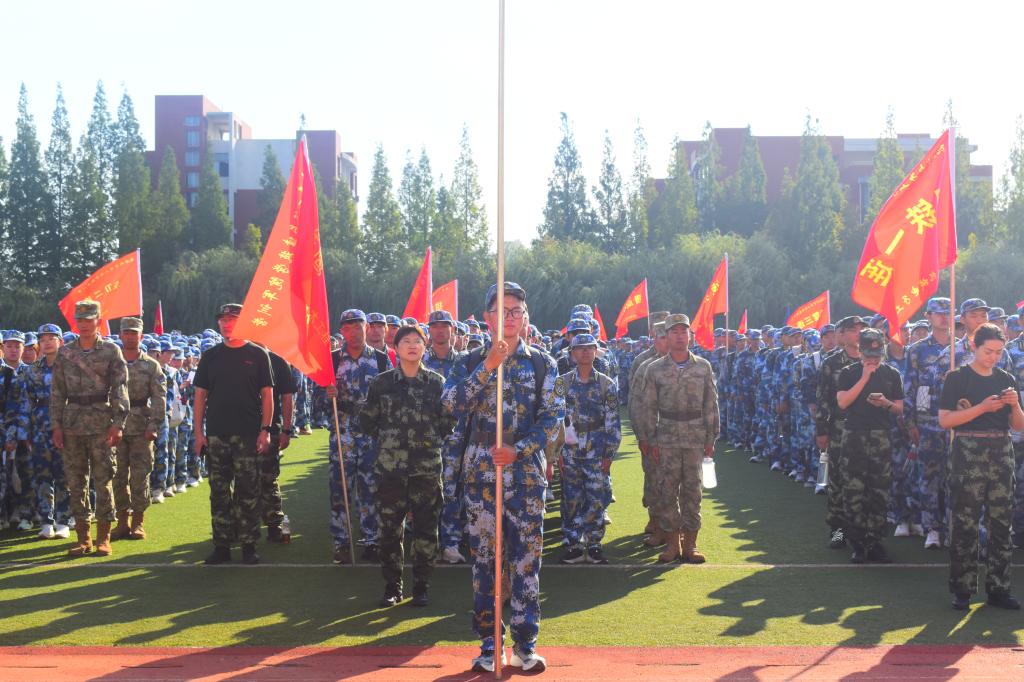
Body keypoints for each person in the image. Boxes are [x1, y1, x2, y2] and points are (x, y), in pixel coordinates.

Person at [442, 281, 562, 674]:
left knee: (526, 563)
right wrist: (488, 367)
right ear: (487, 317)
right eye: (501, 311)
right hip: (481, 475)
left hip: (525, 477)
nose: (509, 318)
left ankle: (525, 645)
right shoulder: (469, 361)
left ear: (525, 318)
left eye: (516, 311)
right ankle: (489, 644)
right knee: (485, 565)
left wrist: (520, 449)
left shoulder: (542, 363)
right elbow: (450, 403)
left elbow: (553, 418)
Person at [359, 324, 454, 607]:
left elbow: (448, 423)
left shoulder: (437, 383)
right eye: (406, 341)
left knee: (426, 529)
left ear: (425, 347)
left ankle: (421, 585)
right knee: (389, 530)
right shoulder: (381, 384)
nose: (412, 346)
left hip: (426, 470)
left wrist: (426, 441)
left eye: (417, 341)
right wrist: (391, 442)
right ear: (396, 347)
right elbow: (368, 420)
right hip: (390, 471)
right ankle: (393, 586)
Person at [939, 322, 1024, 611]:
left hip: (1001, 450)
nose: (994, 357)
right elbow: (945, 420)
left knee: (1001, 523)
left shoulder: (1006, 379)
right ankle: (962, 589)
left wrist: (1015, 405)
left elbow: (1018, 425)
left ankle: (999, 589)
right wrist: (983, 408)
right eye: (989, 351)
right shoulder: (957, 378)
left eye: (999, 352)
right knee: (965, 522)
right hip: (968, 450)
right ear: (975, 347)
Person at [193, 303, 275, 565]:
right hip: (217, 434)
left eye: (232, 319)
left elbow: (267, 395)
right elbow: (200, 396)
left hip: (248, 434)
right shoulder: (211, 356)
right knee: (218, 492)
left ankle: (249, 545)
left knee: (248, 490)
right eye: (223, 320)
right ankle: (222, 545)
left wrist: (265, 430)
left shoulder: (258, 354)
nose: (226, 324)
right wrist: (198, 433)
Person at [636, 314, 719, 564]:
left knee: (693, 491)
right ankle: (672, 544)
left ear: (690, 336)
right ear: (667, 336)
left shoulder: (703, 366)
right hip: (667, 437)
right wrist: (648, 439)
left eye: (684, 331)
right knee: (667, 491)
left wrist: (711, 437)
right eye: (674, 332)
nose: (680, 336)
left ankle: (690, 544)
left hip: (695, 438)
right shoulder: (654, 369)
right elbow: (648, 407)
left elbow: (711, 403)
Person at [50, 300, 130, 557]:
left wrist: (118, 424)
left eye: (89, 319)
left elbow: (120, 389)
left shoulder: (111, 351)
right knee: (76, 483)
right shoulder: (65, 353)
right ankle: (83, 538)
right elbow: (57, 392)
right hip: (72, 424)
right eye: (80, 320)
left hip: (101, 425)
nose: (84, 324)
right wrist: (56, 425)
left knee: (103, 481)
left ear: (98, 321)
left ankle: (103, 538)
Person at [323, 309, 392, 564]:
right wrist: (327, 395)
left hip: (371, 437)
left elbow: (391, 399)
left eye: (358, 326)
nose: (353, 332)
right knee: (339, 489)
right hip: (342, 437)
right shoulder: (331, 361)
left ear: (367, 327)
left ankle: (371, 540)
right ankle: (341, 542)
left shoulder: (382, 361)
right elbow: (315, 404)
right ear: (342, 331)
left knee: (370, 488)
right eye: (348, 327)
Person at [836, 328, 904, 564]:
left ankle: (875, 542)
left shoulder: (892, 374)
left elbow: (900, 408)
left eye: (877, 355)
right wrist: (864, 378)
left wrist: (885, 403)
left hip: (881, 436)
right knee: (853, 490)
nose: (873, 360)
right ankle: (857, 543)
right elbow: (843, 402)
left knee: (879, 491)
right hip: (854, 435)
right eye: (868, 355)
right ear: (860, 352)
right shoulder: (848, 373)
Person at [556, 333, 621, 565]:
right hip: (570, 451)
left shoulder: (606, 383)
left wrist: (609, 454)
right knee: (571, 498)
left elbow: (613, 421)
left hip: (596, 450)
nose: (584, 352)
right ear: (572, 353)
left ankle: (594, 544)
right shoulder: (562, 383)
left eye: (589, 348)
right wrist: (556, 453)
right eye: (579, 348)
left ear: (595, 351)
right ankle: (573, 543)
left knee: (596, 498)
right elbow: (555, 420)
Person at [6, 324, 69, 538]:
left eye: (52, 338)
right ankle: (46, 521)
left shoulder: (70, 366)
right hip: (40, 427)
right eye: (43, 339)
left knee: (64, 474)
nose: (47, 343)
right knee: (43, 476)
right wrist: (25, 434)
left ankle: (63, 520)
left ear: (60, 341)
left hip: (65, 425)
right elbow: (25, 403)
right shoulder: (33, 369)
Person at [111, 317, 166, 541]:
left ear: (141, 336)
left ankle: (138, 521)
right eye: (126, 332)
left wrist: (154, 424)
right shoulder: (112, 363)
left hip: (141, 427)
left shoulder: (151, 365)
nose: (130, 336)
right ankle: (122, 521)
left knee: (140, 476)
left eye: (134, 333)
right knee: (117, 476)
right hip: (115, 425)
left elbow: (159, 398)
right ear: (120, 335)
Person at [816, 315, 867, 549]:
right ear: (843, 335)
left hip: (868, 431)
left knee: (866, 483)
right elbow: (823, 399)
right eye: (853, 330)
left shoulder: (874, 360)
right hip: (840, 430)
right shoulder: (832, 363)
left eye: (862, 329)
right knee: (838, 483)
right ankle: (838, 532)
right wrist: (822, 430)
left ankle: (864, 534)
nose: (859, 333)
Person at [259, 345, 297, 543]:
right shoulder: (236, 357)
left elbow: (287, 397)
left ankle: (274, 525)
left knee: (268, 479)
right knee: (242, 481)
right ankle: (243, 527)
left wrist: (286, 430)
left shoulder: (278, 361)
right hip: (241, 430)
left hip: (270, 430)